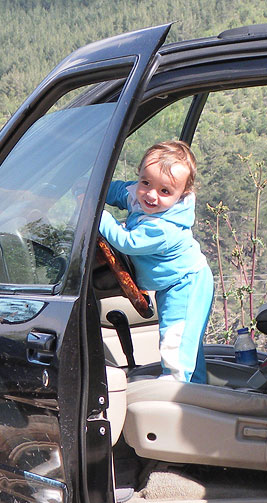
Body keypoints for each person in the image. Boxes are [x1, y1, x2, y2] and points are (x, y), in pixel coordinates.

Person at [99, 140, 213, 383]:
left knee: (175, 338)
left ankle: (175, 386)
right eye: (146, 182)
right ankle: (197, 386)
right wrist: (95, 188)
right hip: (172, 283)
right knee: (186, 342)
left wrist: (99, 215)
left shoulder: (163, 228)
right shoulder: (142, 198)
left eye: (165, 191)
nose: (151, 195)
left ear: (182, 194)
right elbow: (120, 192)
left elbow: (127, 242)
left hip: (186, 283)